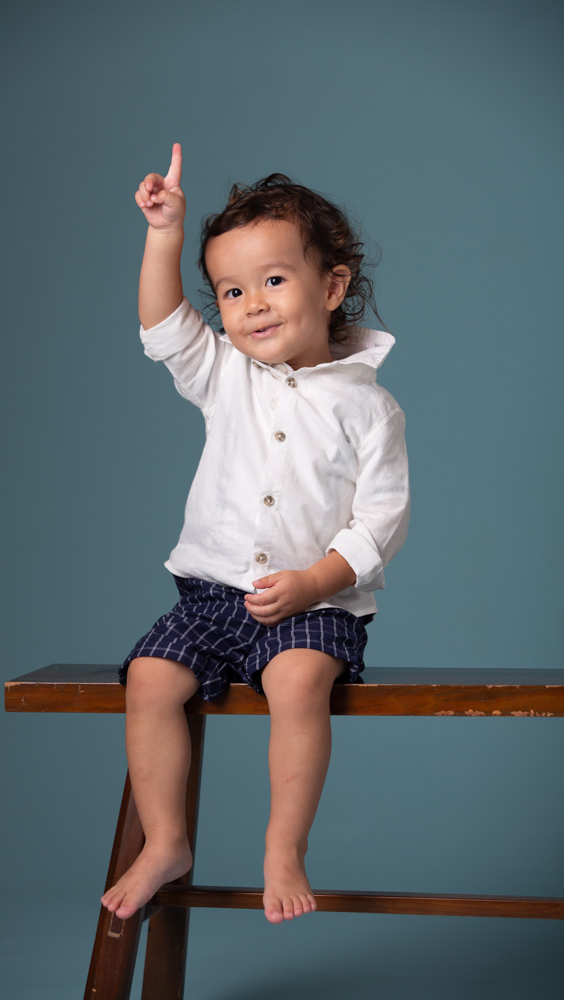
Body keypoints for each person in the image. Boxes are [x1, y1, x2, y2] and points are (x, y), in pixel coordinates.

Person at [101, 143, 409, 924]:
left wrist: (313, 582)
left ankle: (283, 845)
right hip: (210, 597)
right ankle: (166, 840)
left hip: (313, 604)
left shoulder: (368, 407)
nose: (253, 305)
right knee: (149, 680)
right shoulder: (225, 375)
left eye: (273, 280)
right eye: (232, 292)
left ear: (331, 286)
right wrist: (163, 234)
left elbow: (379, 521)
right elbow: (162, 324)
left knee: (298, 684)